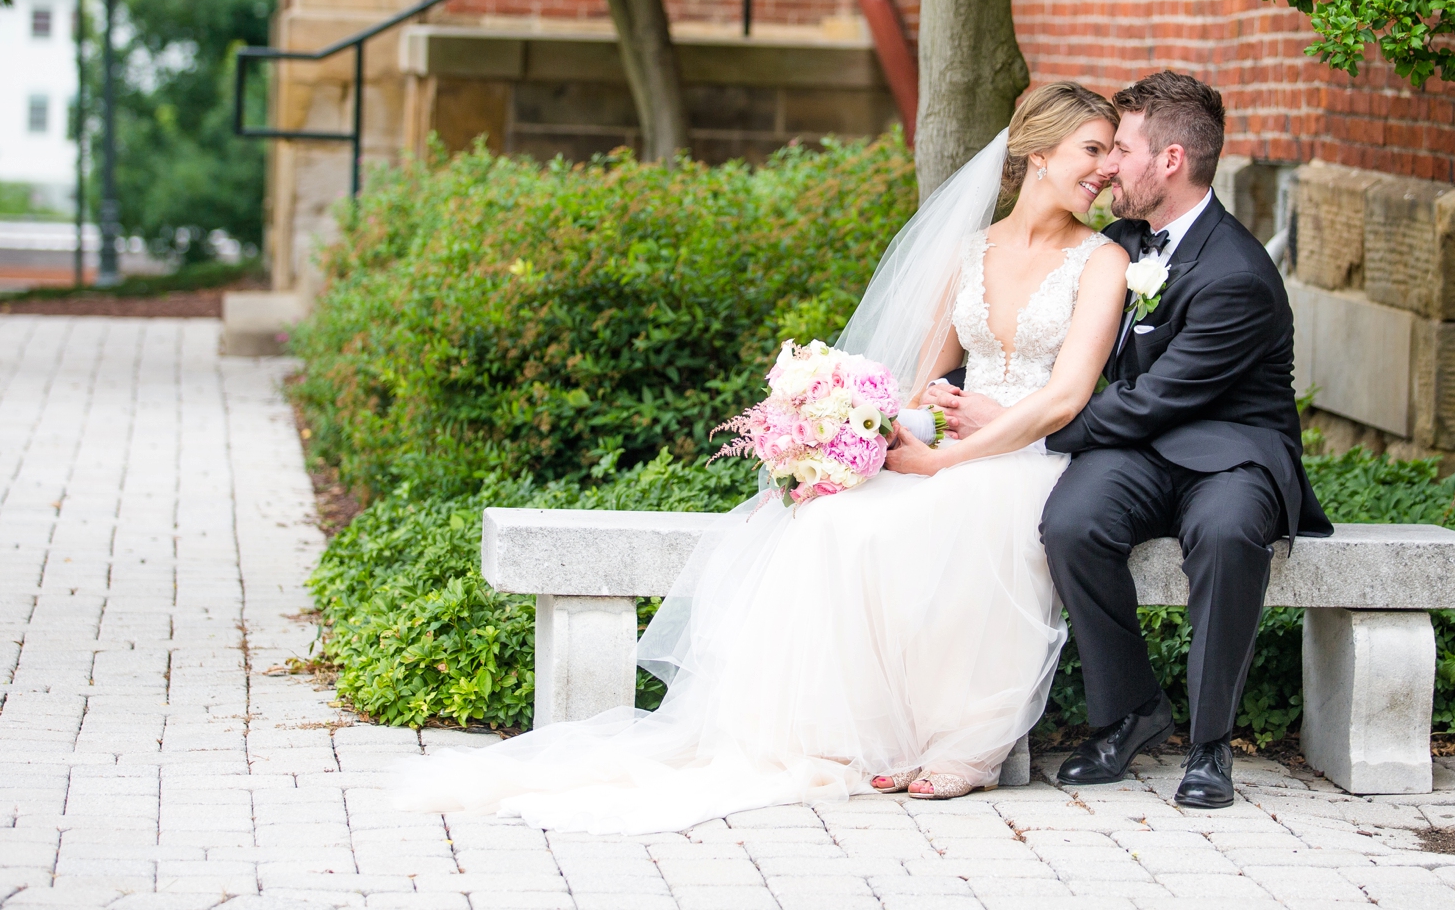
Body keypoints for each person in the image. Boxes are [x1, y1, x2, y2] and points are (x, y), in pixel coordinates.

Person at [392, 81, 1130, 833]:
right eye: (1093, 149)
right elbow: (921, 379)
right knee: (838, 521)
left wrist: (952, 459)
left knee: (953, 513)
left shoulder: (1101, 259)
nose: (1107, 167)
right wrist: (873, 434)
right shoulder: (973, 251)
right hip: (951, 441)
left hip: (1029, 454)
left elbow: (1067, 396)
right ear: (1039, 152)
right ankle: (864, 731)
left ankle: (963, 741)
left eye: (1111, 152)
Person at [929, 71, 1333, 810]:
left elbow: (1149, 401)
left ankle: (1211, 745)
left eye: (1122, 147)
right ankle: (1129, 712)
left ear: (1169, 162)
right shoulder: (1120, 241)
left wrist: (1018, 431)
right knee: (1072, 522)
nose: (1109, 163)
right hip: (1143, 452)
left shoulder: (1236, 273)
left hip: (1231, 453)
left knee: (1224, 533)